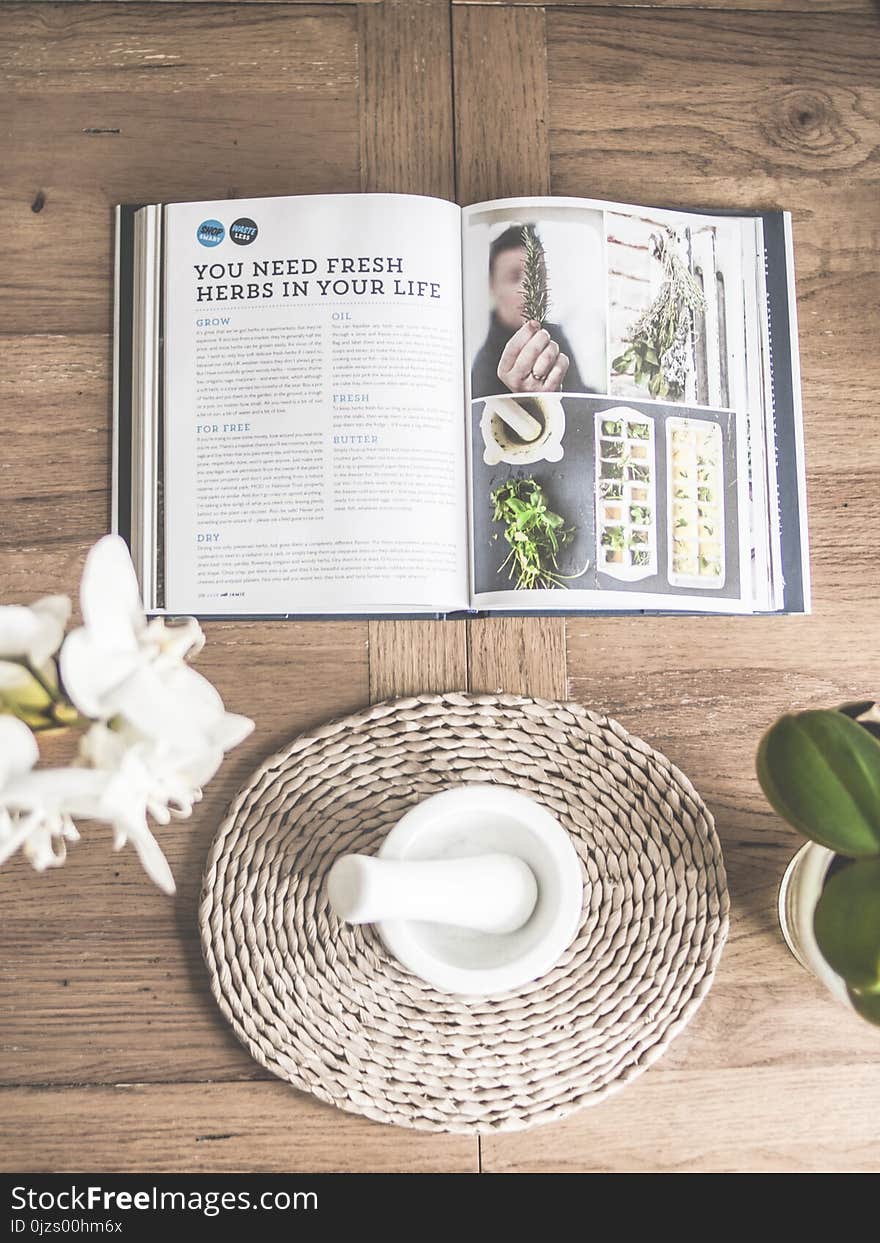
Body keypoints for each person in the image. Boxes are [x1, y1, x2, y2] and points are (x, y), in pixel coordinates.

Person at [470, 224, 590, 399]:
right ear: (492, 287)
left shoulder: (555, 335)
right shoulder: (485, 367)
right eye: (515, 277)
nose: (531, 290)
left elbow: (581, 394)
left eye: (538, 275)